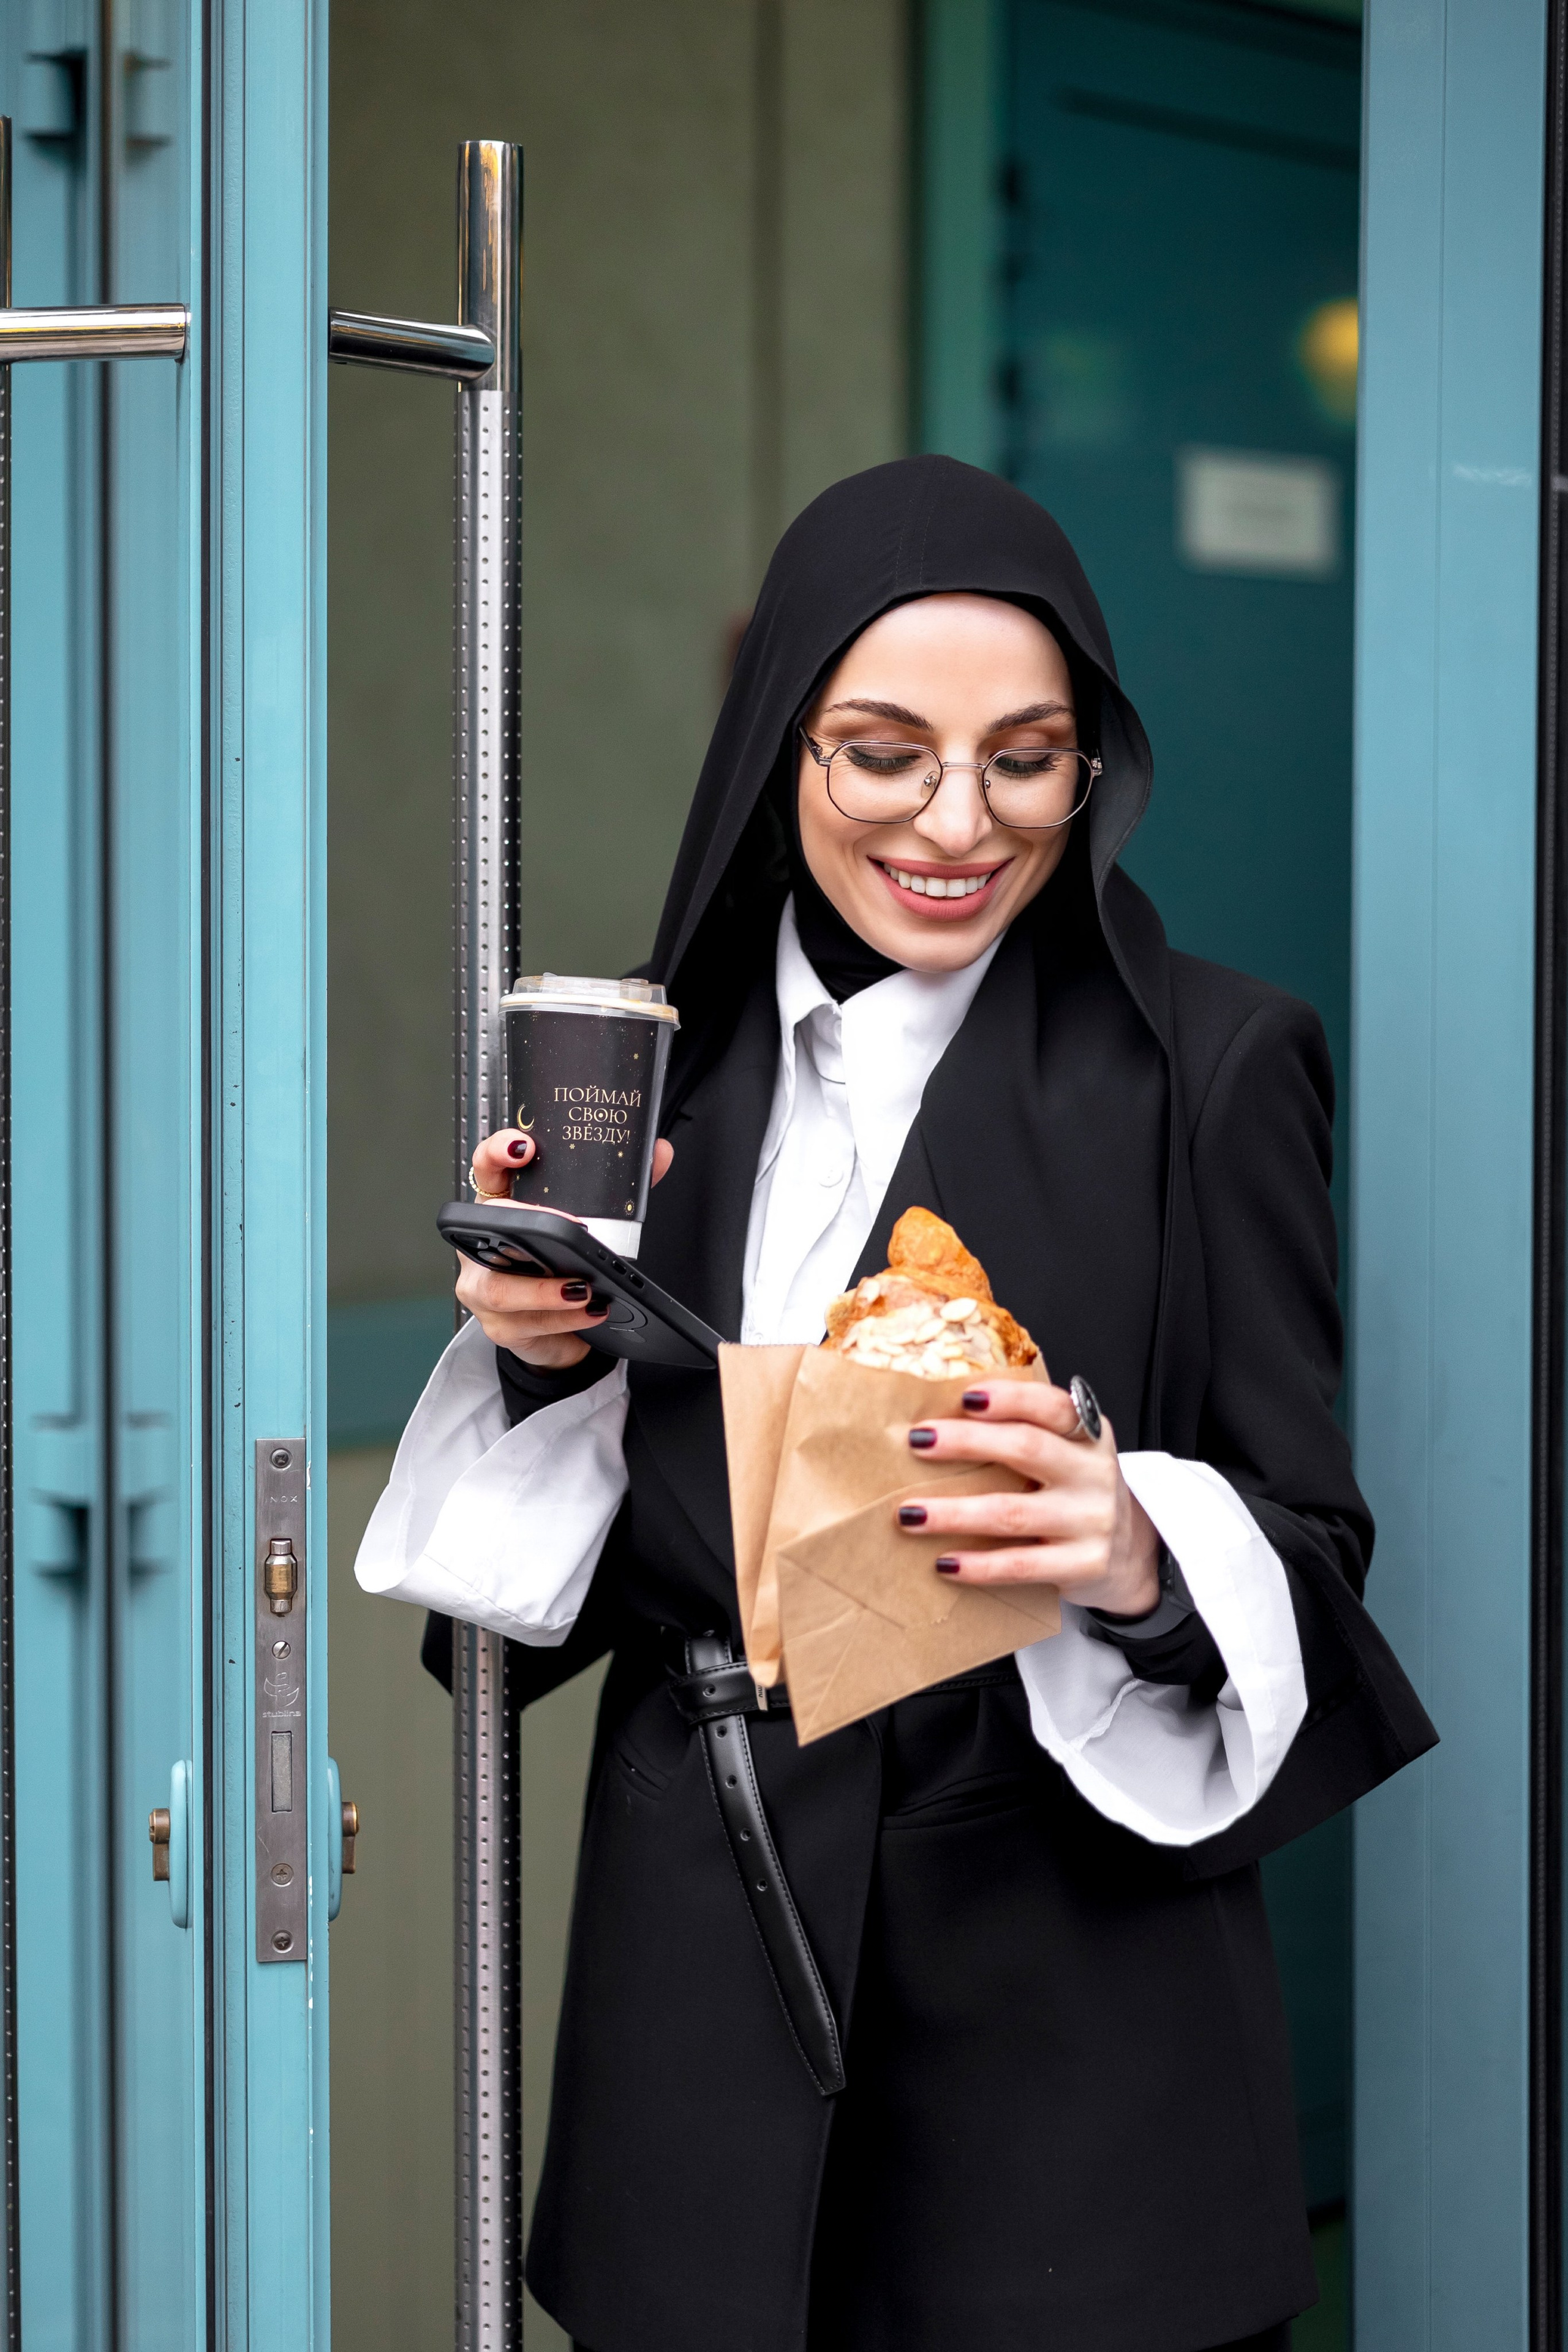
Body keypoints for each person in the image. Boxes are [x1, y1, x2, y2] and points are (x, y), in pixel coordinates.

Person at [356, 456, 1435, 2352]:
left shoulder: (1220, 1067)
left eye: (1026, 759)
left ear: (1089, 769)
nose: (958, 820)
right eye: (883, 753)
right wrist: (535, 1358)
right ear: (784, 748)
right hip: (700, 1997)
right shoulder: (639, 1084)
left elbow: (1315, 1549)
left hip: (1067, 2047)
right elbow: (518, 1637)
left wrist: (1134, 1544)